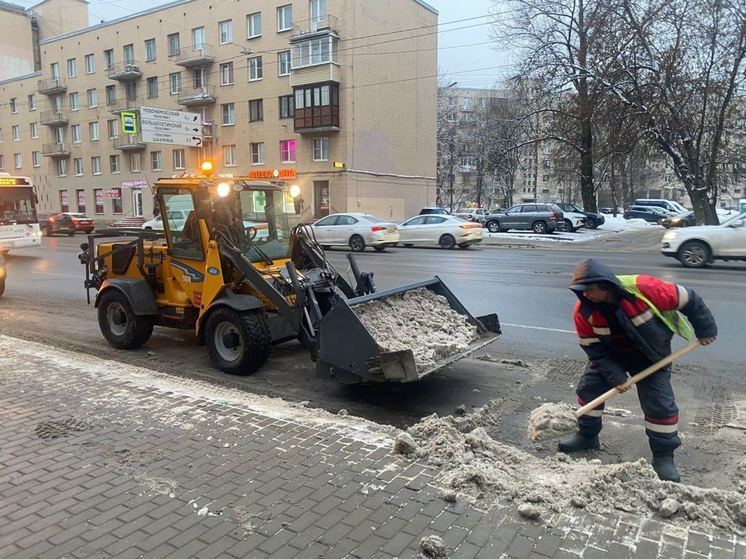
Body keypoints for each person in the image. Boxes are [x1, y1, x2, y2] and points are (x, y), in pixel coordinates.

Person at [559, 258, 717, 482]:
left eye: (589, 289)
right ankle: (587, 435)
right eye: (581, 291)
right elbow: (592, 347)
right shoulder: (583, 311)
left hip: (652, 357)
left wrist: (706, 328)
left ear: (604, 284)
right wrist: (616, 376)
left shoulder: (644, 288)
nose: (585, 295)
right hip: (611, 356)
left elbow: (689, 298)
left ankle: (663, 456)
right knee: (589, 391)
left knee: (660, 406)